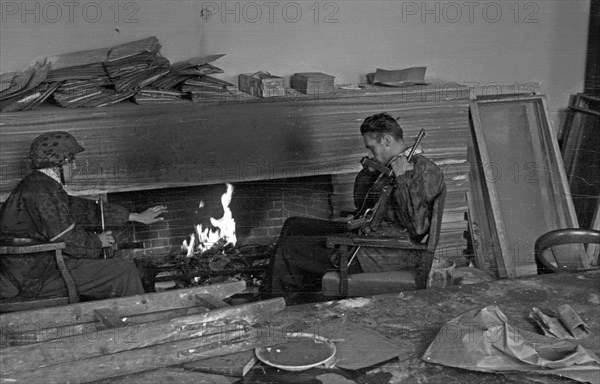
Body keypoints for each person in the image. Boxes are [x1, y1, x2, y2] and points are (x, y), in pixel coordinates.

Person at [266, 113, 445, 300]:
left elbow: (417, 227)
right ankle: (300, 296)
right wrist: (369, 174)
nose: (370, 154)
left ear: (386, 140)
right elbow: (362, 206)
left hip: (382, 252)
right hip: (367, 234)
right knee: (294, 225)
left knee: (287, 249)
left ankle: (276, 309)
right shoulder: (392, 165)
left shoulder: (423, 170)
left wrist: (401, 179)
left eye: (372, 148)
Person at [0, 131, 168, 300]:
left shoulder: (41, 184)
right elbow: (64, 236)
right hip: (35, 275)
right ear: (58, 164)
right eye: (71, 161)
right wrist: (97, 241)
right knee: (125, 270)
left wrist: (133, 216)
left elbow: (82, 209)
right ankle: (135, 320)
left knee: (111, 265)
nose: (74, 166)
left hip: (35, 267)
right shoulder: (41, 191)